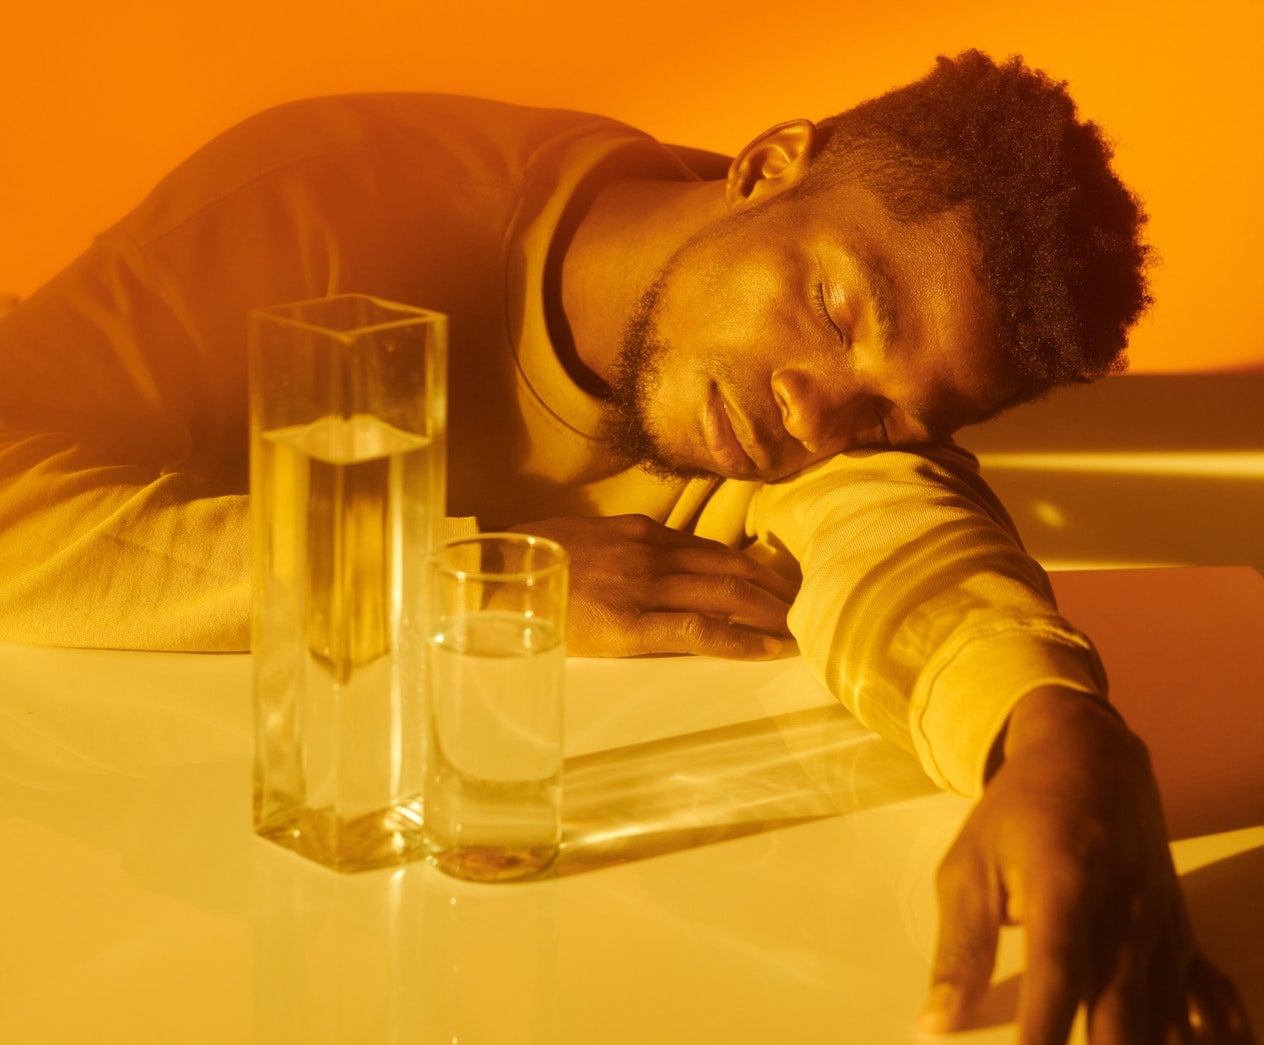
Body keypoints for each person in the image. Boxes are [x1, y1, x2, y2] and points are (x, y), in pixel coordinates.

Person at [0, 50, 1252, 1042]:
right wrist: (466, 576)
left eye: (887, 410)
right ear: (768, 165)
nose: (812, 411)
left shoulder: (803, 437)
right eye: (831, 307)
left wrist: (1058, 732)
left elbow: (917, 552)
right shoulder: (330, 199)